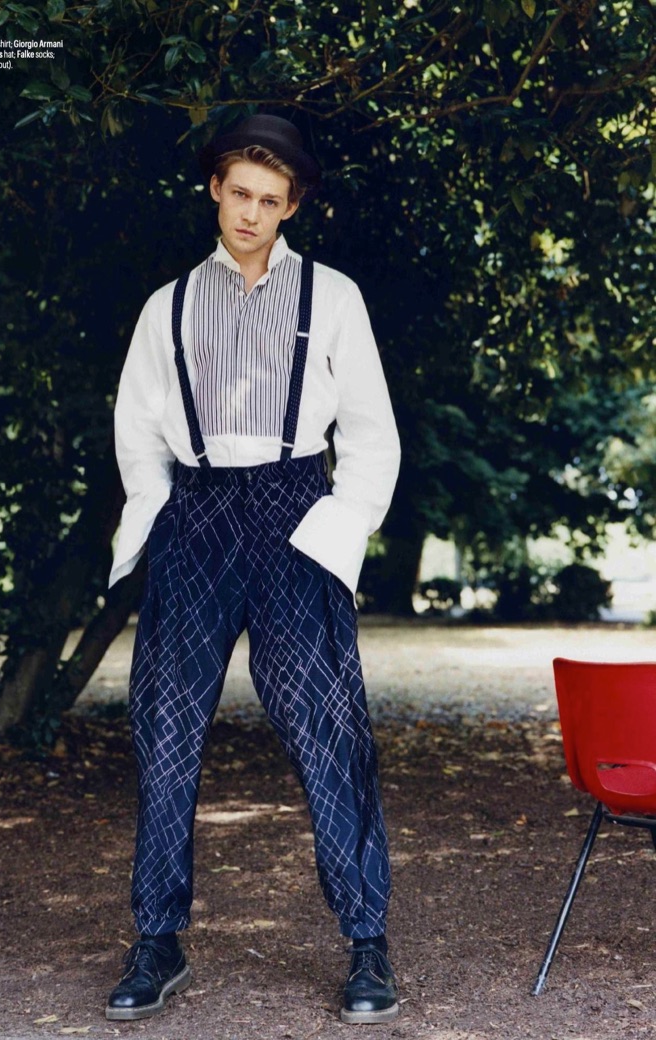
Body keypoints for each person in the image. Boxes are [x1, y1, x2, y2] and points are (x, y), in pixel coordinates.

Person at [105, 113, 402, 1025]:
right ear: (215, 189)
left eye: (271, 201)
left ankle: (368, 942)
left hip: (292, 510)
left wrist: (339, 531)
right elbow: (137, 427)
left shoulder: (334, 298)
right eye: (240, 193)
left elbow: (370, 431)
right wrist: (159, 523)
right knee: (165, 728)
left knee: (326, 727)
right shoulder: (169, 306)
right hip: (195, 514)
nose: (251, 213)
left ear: (292, 205)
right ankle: (157, 938)